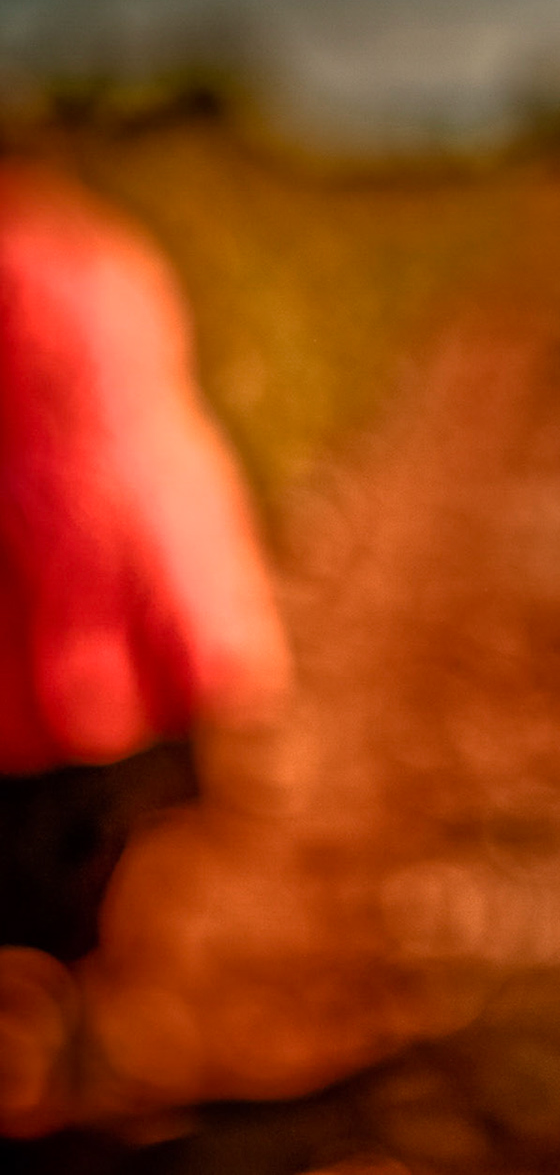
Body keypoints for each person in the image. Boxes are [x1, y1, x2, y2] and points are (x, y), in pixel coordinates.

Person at [0, 160, 290, 1136]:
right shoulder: (103, 258)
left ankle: (61, 1039)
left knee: (42, 865)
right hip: (123, 633)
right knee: (96, 863)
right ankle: (91, 1036)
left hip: (48, 646)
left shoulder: (42, 271)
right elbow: (159, 464)